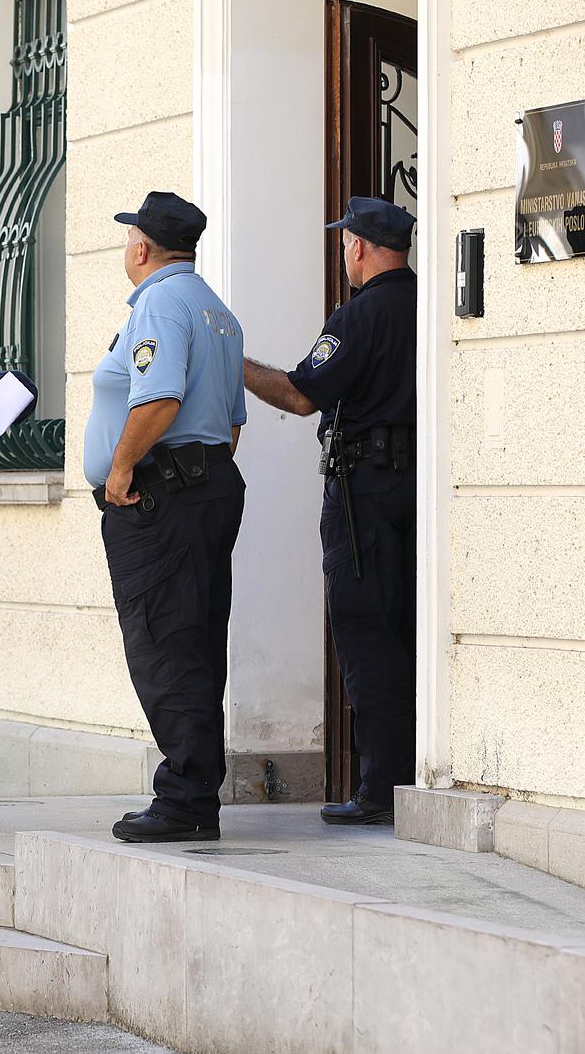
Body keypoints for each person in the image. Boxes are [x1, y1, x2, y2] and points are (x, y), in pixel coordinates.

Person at [242, 195, 417, 827]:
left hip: (363, 495)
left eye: (346, 241)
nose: (344, 250)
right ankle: (412, 773)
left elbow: (299, 394)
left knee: (366, 633)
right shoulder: (424, 304)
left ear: (362, 248)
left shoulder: (358, 317)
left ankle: (381, 789)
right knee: (407, 630)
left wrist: (234, 366)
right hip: (419, 491)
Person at [85, 191, 246, 844]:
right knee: (199, 643)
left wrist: (121, 469)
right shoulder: (218, 311)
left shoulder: (158, 302)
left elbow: (158, 397)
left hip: (160, 497)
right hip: (207, 487)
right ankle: (196, 791)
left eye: (129, 237)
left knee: (164, 642)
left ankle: (184, 796)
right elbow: (232, 425)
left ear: (143, 247)